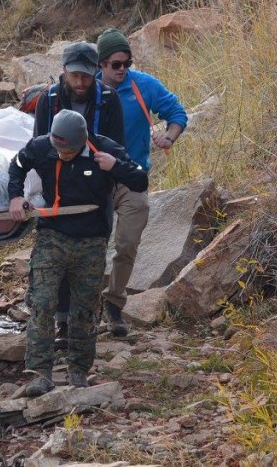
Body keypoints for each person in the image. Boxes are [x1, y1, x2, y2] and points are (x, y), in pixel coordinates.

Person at [8, 110, 147, 396]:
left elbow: (140, 181)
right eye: (58, 149)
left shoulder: (105, 150)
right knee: (43, 302)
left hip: (92, 240)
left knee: (84, 309)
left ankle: (79, 371)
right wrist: (16, 195)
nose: (62, 154)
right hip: (52, 235)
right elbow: (18, 165)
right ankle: (39, 373)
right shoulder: (42, 146)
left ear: (82, 141)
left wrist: (115, 167)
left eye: (68, 150)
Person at [32, 41, 125, 347]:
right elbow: (37, 145)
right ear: (64, 72)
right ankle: (60, 323)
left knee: (89, 257)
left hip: (95, 192)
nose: (81, 83)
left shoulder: (109, 100)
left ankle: (83, 323)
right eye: (75, 76)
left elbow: (116, 146)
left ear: (96, 72)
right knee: (55, 258)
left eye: (86, 76)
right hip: (56, 190)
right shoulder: (50, 99)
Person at [95, 28, 186, 337]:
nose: (122, 70)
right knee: (93, 245)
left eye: (126, 63)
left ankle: (114, 304)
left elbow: (176, 112)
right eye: (115, 64)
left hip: (132, 177)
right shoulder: (87, 89)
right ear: (101, 64)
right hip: (95, 179)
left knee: (127, 243)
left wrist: (169, 137)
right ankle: (84, 304)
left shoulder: (143, 85)